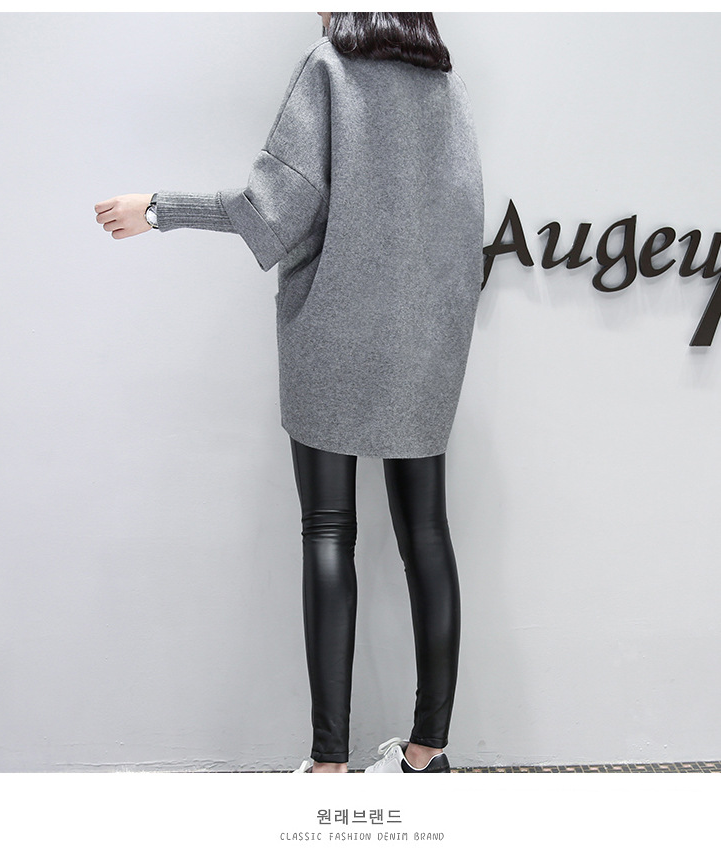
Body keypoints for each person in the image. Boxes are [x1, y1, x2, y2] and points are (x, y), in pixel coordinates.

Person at [94, 11, 484, 774]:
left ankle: (329, 765)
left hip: (333, 337)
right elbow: (464, 221)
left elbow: (271, 213)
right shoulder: (448, 87)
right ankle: (427, 755)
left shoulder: (329, 68)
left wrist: (159, 209)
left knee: (329, 532)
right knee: (428, 535)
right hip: (429, 344)